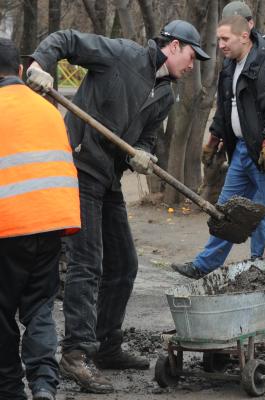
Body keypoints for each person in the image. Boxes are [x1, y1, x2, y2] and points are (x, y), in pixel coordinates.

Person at [26, 20, 209, 393]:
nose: (193, 65)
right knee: (87, 262)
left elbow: (146, 138)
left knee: (125, 263)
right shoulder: (120, 55)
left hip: (108, 178)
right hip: (77, 167)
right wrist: (40, 67)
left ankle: (107, 344)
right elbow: (66, 40)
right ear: (174, 46)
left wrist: (143, 153)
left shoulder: (166, 96)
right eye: (191, 56)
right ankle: (75, 353)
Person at [172, 15, 265, 279]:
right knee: (225, 212)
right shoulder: (231, 68)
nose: (220, 44)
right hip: (242, 152)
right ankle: (203, 265)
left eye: (225, 39)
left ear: (245, 36)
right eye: (219, 39)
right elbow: (226, 109)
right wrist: (215, 137)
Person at [0, 38, 80, 400]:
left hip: (7, 227)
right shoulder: (48, 109)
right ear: (19, 71)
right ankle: (45, 384)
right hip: (52, 222)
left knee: (2, 312)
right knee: (39, 309)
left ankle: (10, 389)